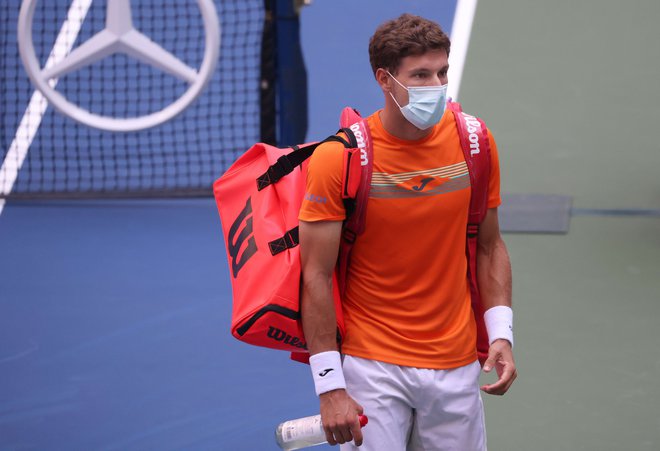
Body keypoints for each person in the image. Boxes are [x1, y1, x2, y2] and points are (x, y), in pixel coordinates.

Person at [298, 13, 516, 450]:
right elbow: (315, 275)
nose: (436, 86)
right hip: (372, 365)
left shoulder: (474, 141)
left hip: (456, 366)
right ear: (385, 79)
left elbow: (490, 247)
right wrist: (330, 386)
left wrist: (501, 334)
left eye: (442, 72)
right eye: (420, 75)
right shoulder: (339, 159)